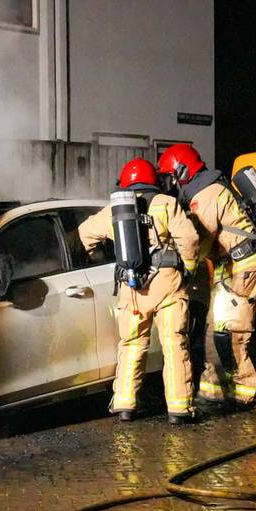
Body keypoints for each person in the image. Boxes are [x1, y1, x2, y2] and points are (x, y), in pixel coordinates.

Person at [78, 157, 200, 424]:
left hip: (132, 290)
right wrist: (189, 267)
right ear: (154, 180)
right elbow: (190, 239)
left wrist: (97, 255)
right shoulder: (167, 204)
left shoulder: (114, 209)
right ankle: (179, 409)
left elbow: (84, 232)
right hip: (167, 286)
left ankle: (124, 405)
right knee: (174, 345)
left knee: (132, 345)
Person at [157, 143, 256, 410]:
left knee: (232, 330)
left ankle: (245, 392)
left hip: (244, 267)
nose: (170, 183)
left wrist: (179, 262)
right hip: (230, 267)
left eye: (170, 176)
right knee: (214, 328)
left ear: (182, 171)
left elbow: (200, 243)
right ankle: (214, 390)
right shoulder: (205, 190)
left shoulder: (206, 195)